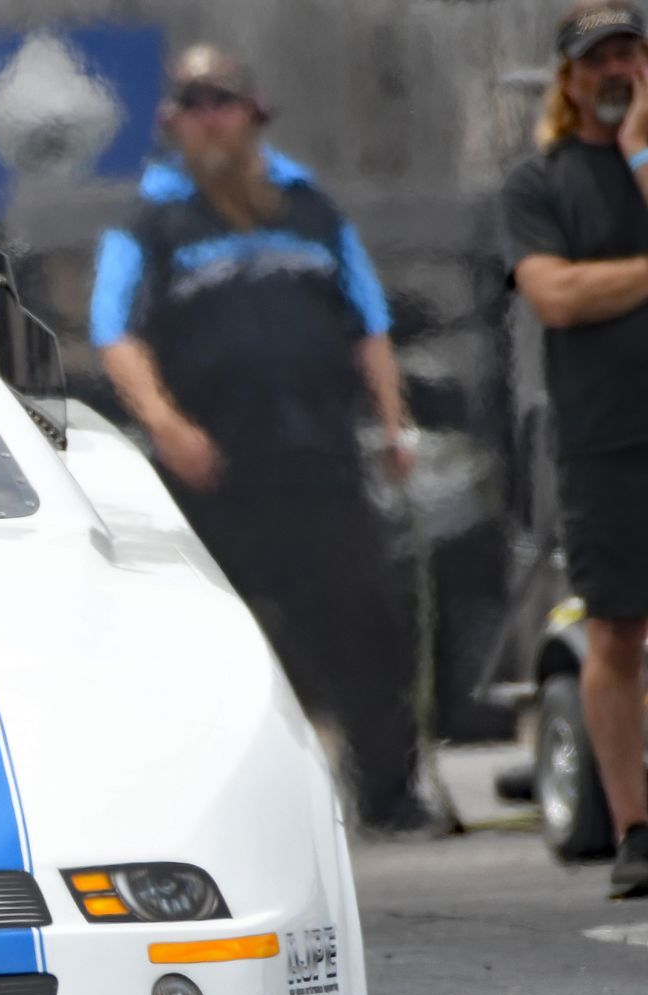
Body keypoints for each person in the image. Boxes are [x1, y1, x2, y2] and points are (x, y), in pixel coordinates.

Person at [89, 43, 429, 832]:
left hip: (321, 461)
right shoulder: (150, 220)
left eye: (224, 102)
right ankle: (227, 814)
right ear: (173, 122)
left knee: (365, 628)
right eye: (195, 105)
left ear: (254, 111)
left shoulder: (312, 209)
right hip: (214, 475)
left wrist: (393, 421)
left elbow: (370, 323)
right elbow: (115, 334)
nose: (211, 119)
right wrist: (167, 425)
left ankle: (388, 792)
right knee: (219, 646)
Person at [503, 2, 648, 895]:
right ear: (569, 76)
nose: (617, 69)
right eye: (601, 59)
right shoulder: (541, 182)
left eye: (632, 53)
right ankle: (635, 825)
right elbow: (553, 295)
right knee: (616, 632)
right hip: (605, 442)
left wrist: (640, 152)